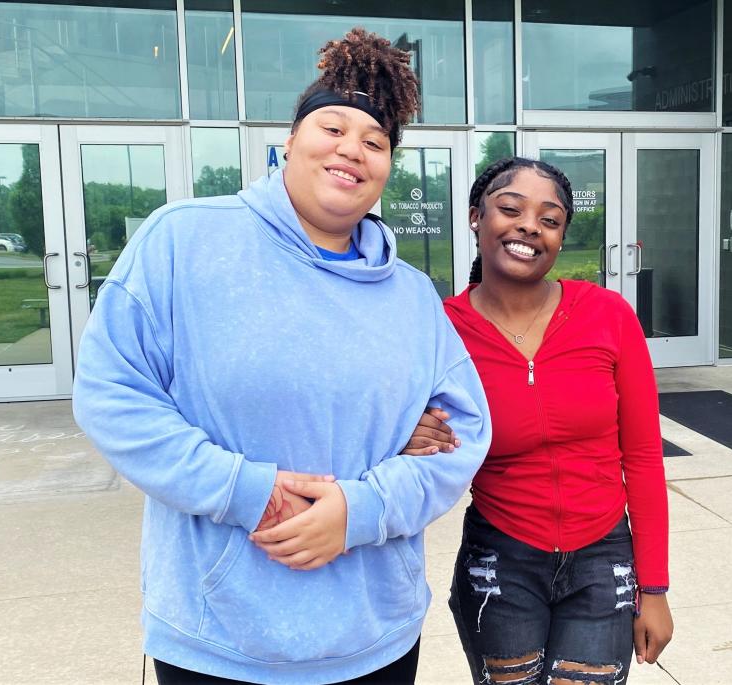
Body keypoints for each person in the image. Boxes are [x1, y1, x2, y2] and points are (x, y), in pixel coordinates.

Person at [72, 28, 491, 685]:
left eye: (375, 141)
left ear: (386, 167)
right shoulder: (185, 243)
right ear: (290, 139)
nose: (351, 148)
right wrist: (248, 490)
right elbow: (111, 394)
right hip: (220, 635)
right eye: (332, 126)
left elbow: (463, 433)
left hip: (373, 634)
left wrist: (361, 509)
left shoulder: (409, 295)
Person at [405, 157, 672, 685]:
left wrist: (656, 588)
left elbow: (642, 457)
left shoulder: (607, 314)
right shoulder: (439, 330)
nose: (530, 226)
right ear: (477, 217)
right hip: (501, 559)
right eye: (511, 209)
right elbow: (396, 429)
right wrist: (411, 434)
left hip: (603, 559)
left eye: (550, 220)